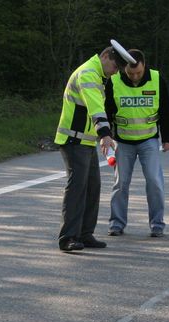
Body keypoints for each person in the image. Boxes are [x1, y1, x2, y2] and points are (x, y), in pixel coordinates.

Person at [54, 43, 133, 251]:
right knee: (77, 188)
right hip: (73, 140)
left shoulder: (99, 75)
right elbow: (95, 107)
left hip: (85, 140)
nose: (115, 72)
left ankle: (85, 234)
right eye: (115, 67)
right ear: (105, 56)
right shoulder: (88, 73)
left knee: (92, 187)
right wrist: (105, 134)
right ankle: (68, 238)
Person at [105, 49, 169, 238]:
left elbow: (167, 110)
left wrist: (168, 138)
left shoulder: (156, 79)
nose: (135, 77)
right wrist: (105, 136)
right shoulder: (114, 81)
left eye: (138, 72)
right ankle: (116, 224)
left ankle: (157, 224)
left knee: (154, 181)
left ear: (144, 65)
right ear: (124, 68)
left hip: (149, 141)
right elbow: (106, 111)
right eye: (130, 73)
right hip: (123, 142)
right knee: (121, 184)